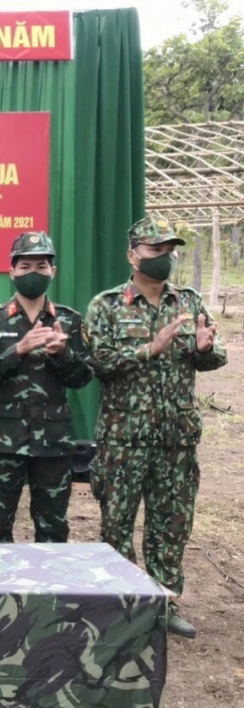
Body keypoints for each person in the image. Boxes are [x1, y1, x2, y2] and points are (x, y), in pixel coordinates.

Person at [86, 216, 226, 639]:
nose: (165, 257)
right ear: (133, 255)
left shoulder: (188, 302)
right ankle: (124, 606)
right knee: (117, 526)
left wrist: (204, 349)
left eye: (170, 250)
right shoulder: (106, 306)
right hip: (123, 439)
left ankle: (164, 604)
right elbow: (99, 363)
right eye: (155, 249)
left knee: (171, 525)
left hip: (175, 438)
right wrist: (150, 348)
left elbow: (214, 354)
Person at [0, 232, 93, 544]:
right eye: (25, 266)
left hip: (53, 441)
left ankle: (48, 579)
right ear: (11, 272)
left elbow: (83, 378)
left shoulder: (70, 321)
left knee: (53, 529)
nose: (33, 272)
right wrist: (18, 350)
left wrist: (63, 354)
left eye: (41, 266)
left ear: (53, 271)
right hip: (3, 441)